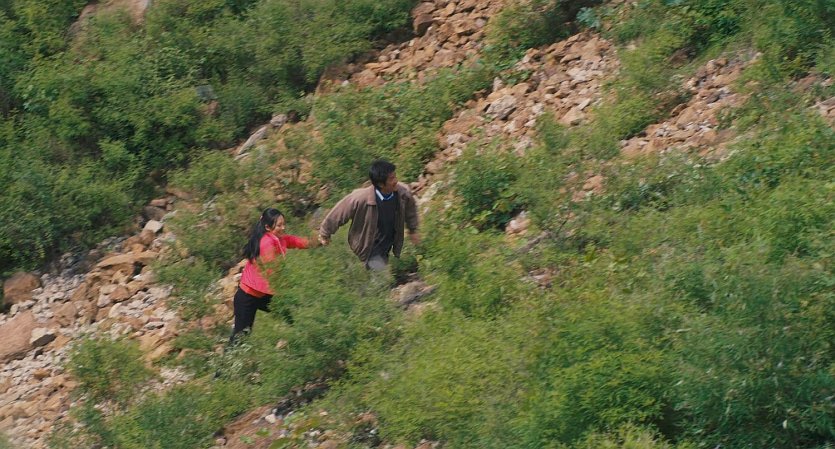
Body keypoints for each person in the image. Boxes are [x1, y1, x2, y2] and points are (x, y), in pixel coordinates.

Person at [318, 159, 420, 270]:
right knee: (376, 272)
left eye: (395, 176)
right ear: (380, 184)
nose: (396, 181)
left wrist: (412, 230)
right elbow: (338, 213)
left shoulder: (402, 193)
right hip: (366, 243)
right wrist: (325, 233)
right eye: (391, 179)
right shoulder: (360, 198)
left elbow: (410, 210)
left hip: (387, 242)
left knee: (382, 267)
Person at [230, 208, 312, 342]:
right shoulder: (266, 243)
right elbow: (273, 272)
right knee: (240, 339)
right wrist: (292, 287)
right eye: (279, 225)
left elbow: (293, 241)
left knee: (293, 314)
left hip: (262, 295)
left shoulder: (278, 238)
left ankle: (303, 342)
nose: (283, 228)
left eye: (284, 224)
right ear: (267, 227)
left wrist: (316, 241)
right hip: (247, 297)